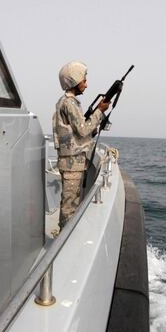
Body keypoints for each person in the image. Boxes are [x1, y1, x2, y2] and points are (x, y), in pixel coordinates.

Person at [52, 61, 110, 229]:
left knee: (71, 202)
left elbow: (76, 132)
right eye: (84, 80)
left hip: (72, 162)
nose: (86, 84)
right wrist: (100, 111)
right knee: (69, 206)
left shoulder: (68, 103)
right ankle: (63, 241)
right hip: (72, 164)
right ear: (74, 81)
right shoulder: (69, 103)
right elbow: (83, 130)